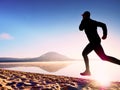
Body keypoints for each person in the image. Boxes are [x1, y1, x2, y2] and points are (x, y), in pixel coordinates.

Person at [79, 11, 120, 76]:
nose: (82, 17)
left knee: (84, 53)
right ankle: (88, 71)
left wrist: (105, 34)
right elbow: (103, 25)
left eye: (83, 16)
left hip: (94, 41)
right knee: (103, 57)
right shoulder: (93, 22)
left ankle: (87, 71)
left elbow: (80, 28)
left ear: (85, 16)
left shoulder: (87, 22)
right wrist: (105, 34)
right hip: (96, 41)